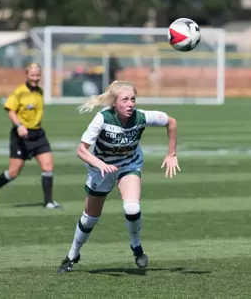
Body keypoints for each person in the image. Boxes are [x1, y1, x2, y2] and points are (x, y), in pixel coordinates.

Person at [57, 80, 180, 273]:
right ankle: (73, 255)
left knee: (132, 208)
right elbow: (81, 150)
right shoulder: (102, 118)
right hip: (100, 168)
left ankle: (136, 247)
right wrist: (101, 165)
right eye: (125, 100)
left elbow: (171, 122)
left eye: (133, 99)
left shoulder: (141, 117)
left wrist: (171, 153)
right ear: (115, 102)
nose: (130, 104)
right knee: (90, 219)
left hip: (129, 164)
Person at [0, 63, 60, 209]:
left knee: (48, 166)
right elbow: (10, 109)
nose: (35, 78)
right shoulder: (19, 92)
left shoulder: (40, 91)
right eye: (32, 75)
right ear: (26, 75)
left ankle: (48, 201)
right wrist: (19, 126)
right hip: (21, 136)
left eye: (37, 75)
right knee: (13, 172)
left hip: (38, 134)